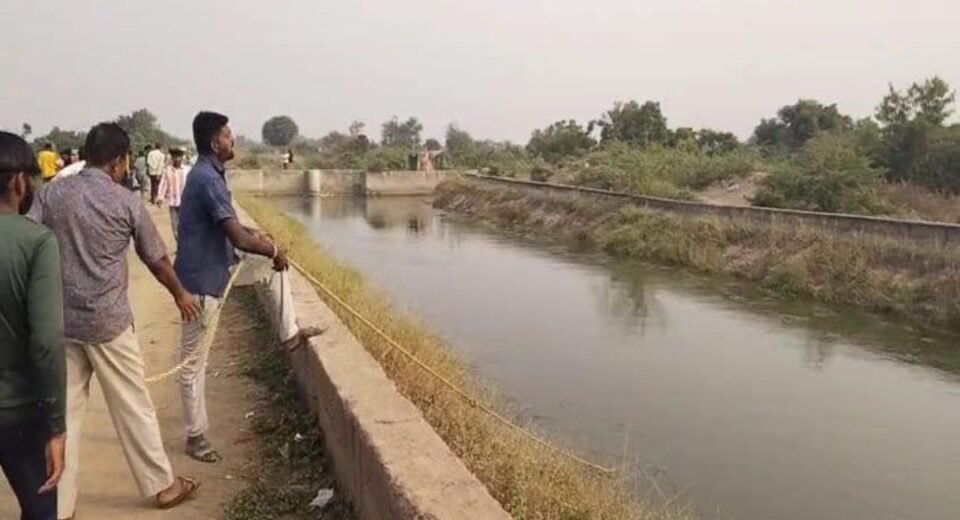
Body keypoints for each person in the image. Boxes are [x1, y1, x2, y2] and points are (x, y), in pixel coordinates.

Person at [28, 123, 202, 518]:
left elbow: (30, 239)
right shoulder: (126, 202)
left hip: (62, 322)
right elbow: (155, 258)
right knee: (133, 406)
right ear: (121, 161)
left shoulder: (52, 193)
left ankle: (60, 503)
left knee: (62, 416)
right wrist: (180, 294)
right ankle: (162, 485)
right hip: (109, 324)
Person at [174, 112, 321, 463]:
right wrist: (270, 247)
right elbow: (235, 234)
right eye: (228, 136)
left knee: (273, 270)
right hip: (200, 284)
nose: (233, 140)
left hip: (219, 270)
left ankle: (289, 334)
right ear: (215, 143)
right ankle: (195, 436)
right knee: (193, 365)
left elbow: (235, 228)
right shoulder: (207, 179)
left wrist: (263, 244)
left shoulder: (210, 175)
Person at [0, 132, 66, 520]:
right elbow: (45, 342)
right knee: (39, 508)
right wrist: (56, 427)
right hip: (20, 413)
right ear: (19, 181)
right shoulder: (37, 242)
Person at [156, 148, 189, 242]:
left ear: (182, 158)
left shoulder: (187, 170)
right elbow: (163, 184)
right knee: (175, 227)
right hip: (173, 203)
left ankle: (186, 245)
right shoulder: (168, 171)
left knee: (186, 225)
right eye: (175, 157)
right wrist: (160, 197)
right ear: (172, 157)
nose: (177, 159)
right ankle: (180, 244)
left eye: (179, 157)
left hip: (186, 203)